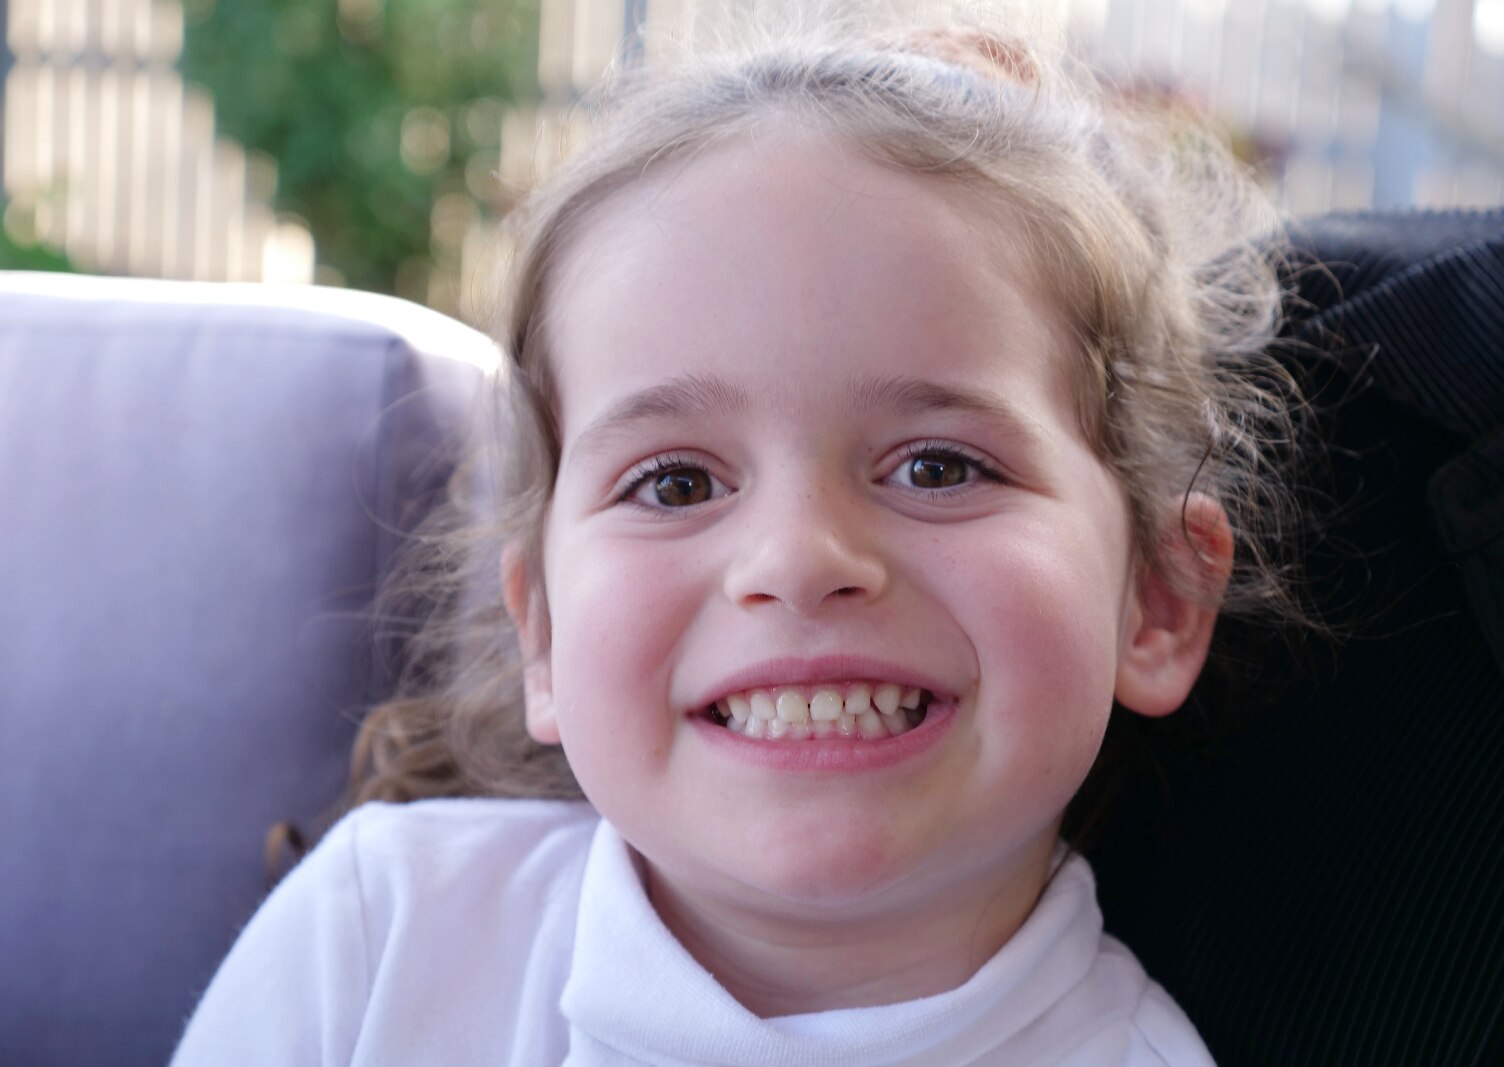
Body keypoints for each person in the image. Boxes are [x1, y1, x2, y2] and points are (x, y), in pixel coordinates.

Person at [172, 8, 1308, 1065]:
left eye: (938, 466)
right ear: (543, 634)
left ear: (1155, 597)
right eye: (673, 482)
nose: (797, 558)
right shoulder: (377, 944)